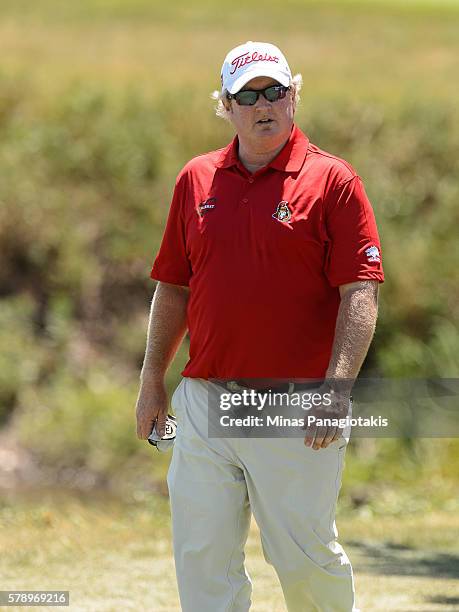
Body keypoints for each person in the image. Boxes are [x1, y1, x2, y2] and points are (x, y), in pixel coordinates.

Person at [136, 41, 384, 612]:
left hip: (295, 405)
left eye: (274, 90)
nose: (263, 103)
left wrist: (337, 389)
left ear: (294, 95)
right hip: (203, 399)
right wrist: (153, 379)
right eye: (247, 95)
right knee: (202, 556)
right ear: (225, 106)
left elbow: (360, 292)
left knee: (304, 559)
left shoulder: (334, 182)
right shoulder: (195, 180)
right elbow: (173, 286)